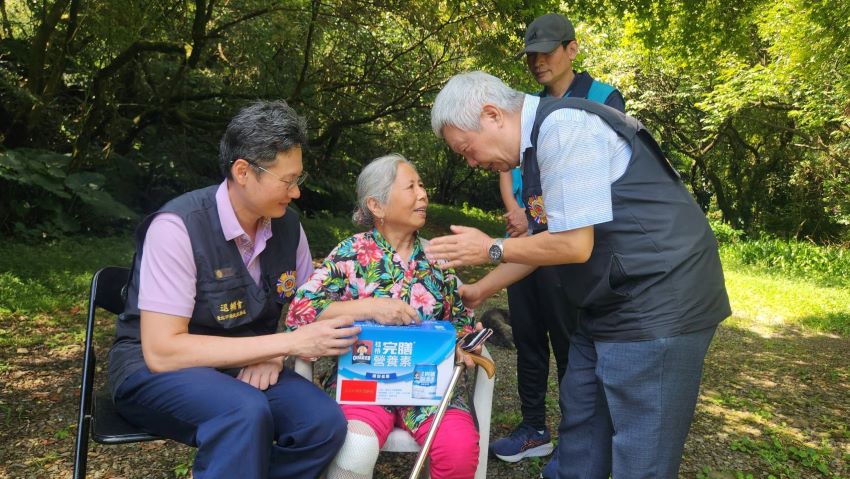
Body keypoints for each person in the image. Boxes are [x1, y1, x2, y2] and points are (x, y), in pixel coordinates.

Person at [427, 72, 730, 479]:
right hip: (606, 302)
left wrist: (490, 247)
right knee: (582, 423)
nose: (472, 162)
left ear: (492, 114)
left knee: (642, 454)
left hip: (660, 301)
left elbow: (573, 245)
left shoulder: (564, 128)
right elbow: (542, 243)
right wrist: (480, 290)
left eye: (467, 148)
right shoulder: (535, 149)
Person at [107, 100, 360, 479]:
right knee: (243, 412)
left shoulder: (288, 228)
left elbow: (307, 308)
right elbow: (163, 351)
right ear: (243, 171)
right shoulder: (177, 227)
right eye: (287, 181)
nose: (296, 193)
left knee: (321, 423)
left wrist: (372, 311)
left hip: (243, 363)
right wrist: (283, 346)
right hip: (153, 370)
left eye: (298, 179)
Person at [285, 154, 481, 479]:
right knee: (355, 448)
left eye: (421, 185)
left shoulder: (437, 259)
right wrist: (369, 307)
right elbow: (300, 313)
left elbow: (460, 323)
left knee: (458, 450)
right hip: (365, 383)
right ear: (376, 206)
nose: (423, 194)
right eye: (410, 187)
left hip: (428, 386)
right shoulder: (350, 253)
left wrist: (463, 344)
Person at [492, 12, 627, 467]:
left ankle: (576, 437)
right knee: (528, 333)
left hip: (572, 242)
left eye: (547, 51)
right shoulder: (527, 106)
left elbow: (606, 172)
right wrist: (513, 209)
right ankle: (533, 428)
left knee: (572, 342)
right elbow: (508, 166)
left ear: (572, 49)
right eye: (531, 54)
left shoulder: (602, 98)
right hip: (529, 235)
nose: (537, 61)